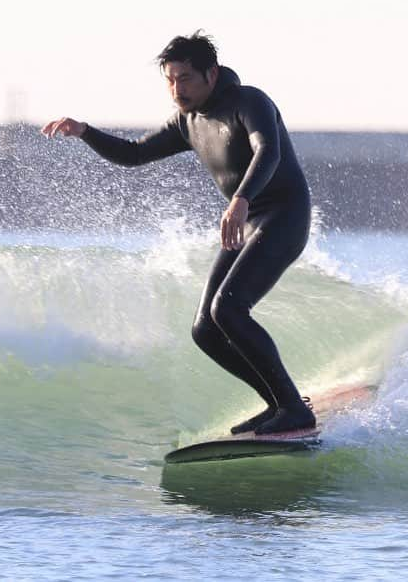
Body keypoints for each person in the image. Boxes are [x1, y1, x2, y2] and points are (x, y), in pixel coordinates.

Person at [41, 31, 315, 436]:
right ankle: (279, 403)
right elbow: (134, 154)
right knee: (205, 328)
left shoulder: (249, 102)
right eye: (170, 79)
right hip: (251, 219)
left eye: (185, 78)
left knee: (230, 309)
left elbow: (267, 151)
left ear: (211, 73)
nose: (176, 89)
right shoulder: (188, 121)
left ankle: (293, 408)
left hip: (285, 215)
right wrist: (85, 131)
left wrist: (240, 200)